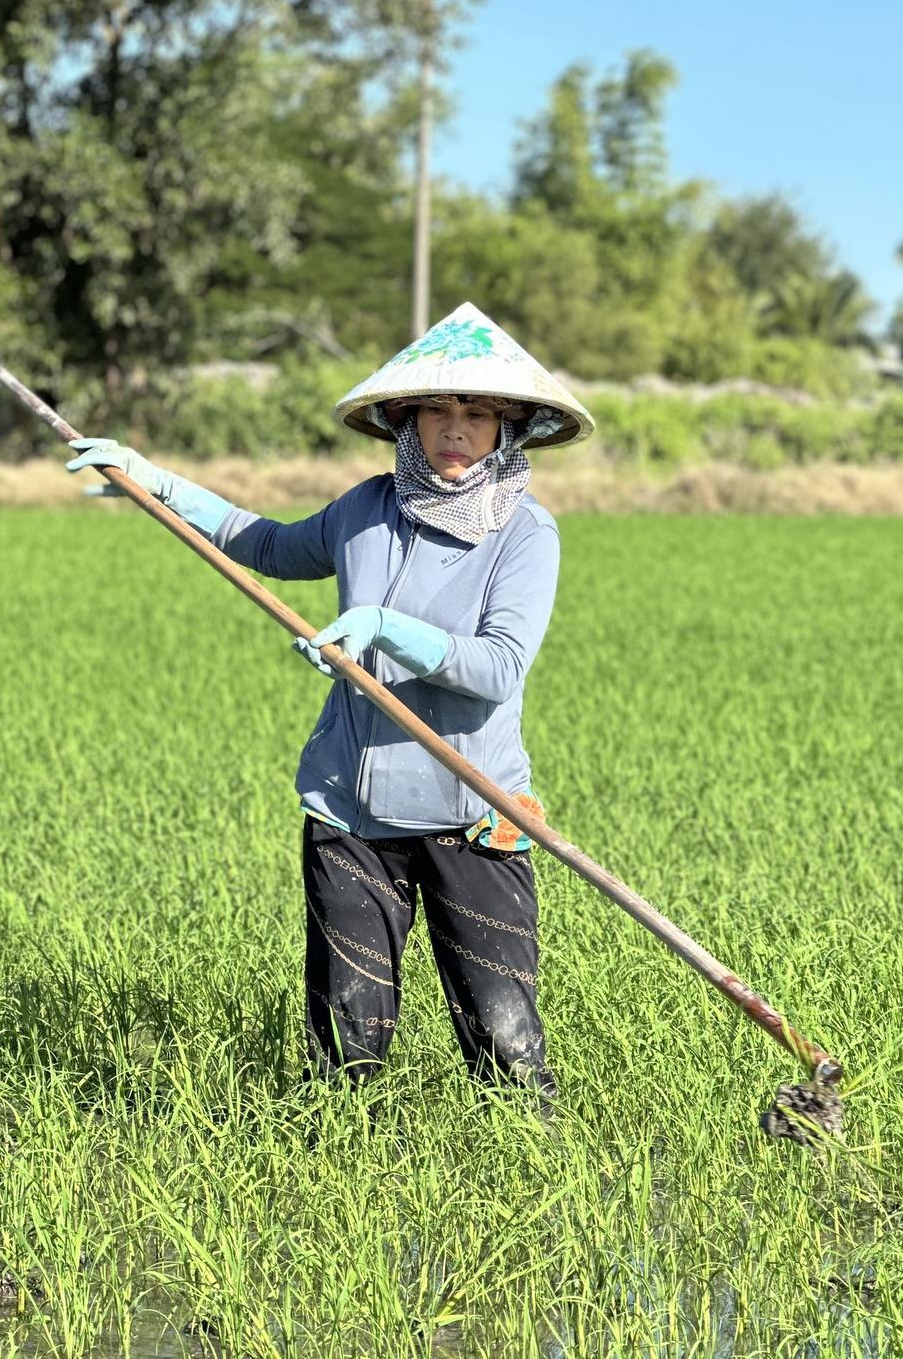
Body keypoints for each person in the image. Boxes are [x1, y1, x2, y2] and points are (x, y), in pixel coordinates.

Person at [63, 303, 594, 1103]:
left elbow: (498, 667)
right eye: (438, 411)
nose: (456, 429)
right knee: (346, 1049)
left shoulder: (525, 535)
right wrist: (155, 482)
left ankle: (538, 1170)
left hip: (472, 813)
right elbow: (267, 544)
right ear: (406, 421)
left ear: (506, 429)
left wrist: (384, 627)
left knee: (506, 1047)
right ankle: (338, 1173)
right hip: (352, 814)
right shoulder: (364, 510)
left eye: (477, 414)